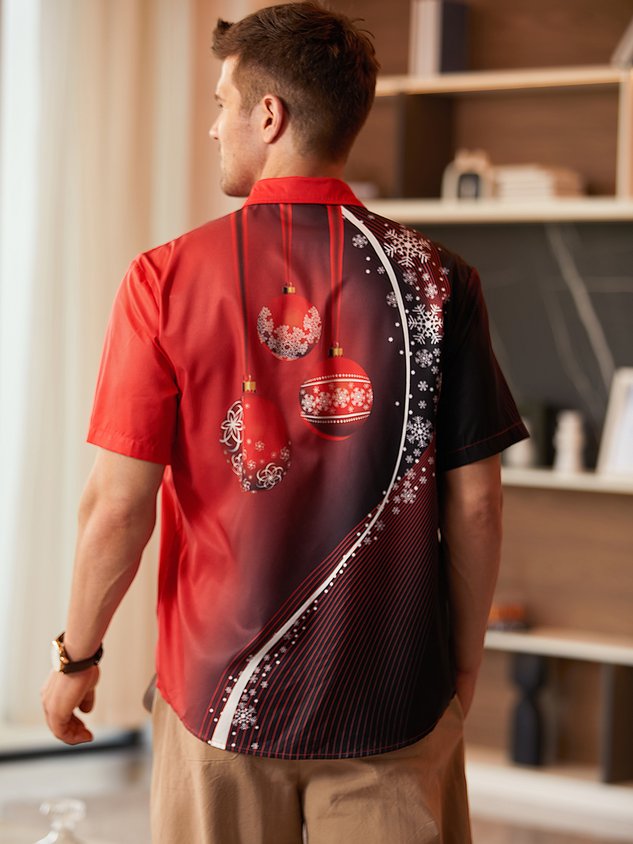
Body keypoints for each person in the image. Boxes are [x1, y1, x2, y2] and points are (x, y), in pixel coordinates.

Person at [41, 3, 528, 842]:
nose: (211, 127)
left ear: (268, 116)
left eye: (221, 103)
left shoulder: (163, 278)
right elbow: (477, 506)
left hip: (218, 701)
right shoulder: (438, 278)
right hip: (392, 703)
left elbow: (117, 507)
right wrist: (459, 667)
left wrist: (76, 658)